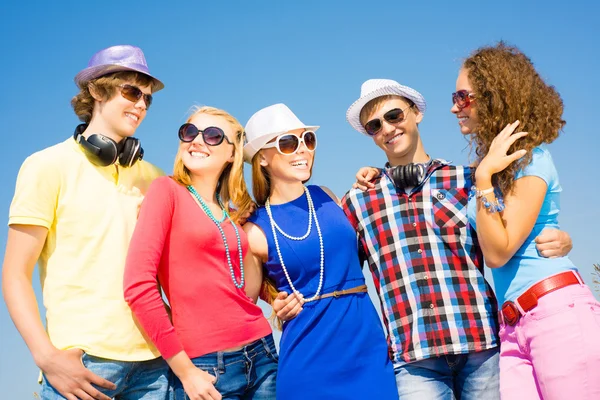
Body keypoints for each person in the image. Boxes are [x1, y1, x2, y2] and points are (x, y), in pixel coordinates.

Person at [338, 78, 573, 399]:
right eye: (374, 126)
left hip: (482, 346)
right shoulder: (357, 200)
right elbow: (338, 270)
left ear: (416, 113)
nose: (387, 129)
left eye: (394, 116)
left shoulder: (469, 180)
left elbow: (513, 237)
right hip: (414, 358)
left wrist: (561, 239)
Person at [2, 45, 168, 399]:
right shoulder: (47, 166)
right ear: (96, 90)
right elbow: (15, 273)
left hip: (157, 366)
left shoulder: (155, 179)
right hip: (83, 366)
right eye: (131, 92)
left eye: (147, 99)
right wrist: (46, 356)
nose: (141, 105)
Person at [452, 42, 600, 399]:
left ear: (493, 96)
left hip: (555, 314)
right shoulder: (491, 170)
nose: (454, 106)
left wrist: (485, 178)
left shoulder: (531, 159)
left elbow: (499, 252)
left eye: (462, 96)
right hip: (513, 326)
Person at [242, 103, 398, 400]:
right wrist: (275, 303)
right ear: (262, 157)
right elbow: (247, 304)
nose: (302, 150)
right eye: (288, 143)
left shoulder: (327, 196)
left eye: (307, 140)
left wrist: (377, 174)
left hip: (368, 348)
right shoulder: (255, 230)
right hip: (308, 361)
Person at [123, 106, 278, 400]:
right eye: (189, 132)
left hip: (262, 352)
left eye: (213, 135)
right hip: (206, 366)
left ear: (232, 153)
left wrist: (277, 299)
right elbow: (137, 286)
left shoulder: (230, 213)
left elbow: (235, 281)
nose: (197, 140)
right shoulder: (165, 191)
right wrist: (184, 371)